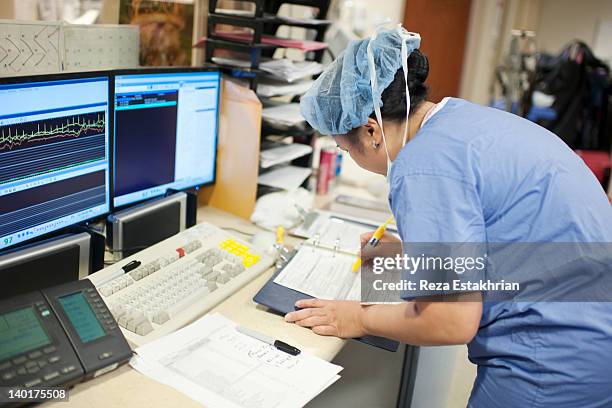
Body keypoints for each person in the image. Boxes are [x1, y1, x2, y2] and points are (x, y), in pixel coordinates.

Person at [285, 25, 612, 407]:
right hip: (594, 336)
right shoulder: (460, 120)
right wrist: (417, 256)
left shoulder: (421, 165)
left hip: (552, 361)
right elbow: (504, 229)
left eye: (345, 149)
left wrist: (357, 318)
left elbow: (450, 320)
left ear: (371, 130)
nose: (351, 159)